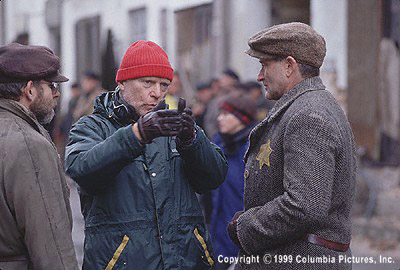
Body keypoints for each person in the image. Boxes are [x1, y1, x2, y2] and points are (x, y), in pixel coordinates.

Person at [65, 40, 227, 270]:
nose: (157, 93)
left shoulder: (174, 125)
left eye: (164, 85)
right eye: (148, 83)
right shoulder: (91, 126)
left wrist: (192, 141)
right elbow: (82, 169)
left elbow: (215, 176)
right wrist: (136, 135)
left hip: (184, 261)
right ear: (121, 82)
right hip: (123, 262)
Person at [227, 22, 356, 269]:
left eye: (265, 65)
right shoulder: (308, 107)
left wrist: (245, 226)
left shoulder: (308, 115)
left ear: (289, 66)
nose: (259, 76)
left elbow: (304, 205)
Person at [0, 43, 78, 270]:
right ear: (30, 89)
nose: (56, 93)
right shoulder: (30, 145)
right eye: (51, 85)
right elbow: (51, 246)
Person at [210, 95, 257, 270]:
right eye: (219, 113)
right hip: (217, 233)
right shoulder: (217, 144)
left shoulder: (254, 149)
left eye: (225, 114)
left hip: (244, 238)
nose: (219, 118)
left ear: (241, 118)